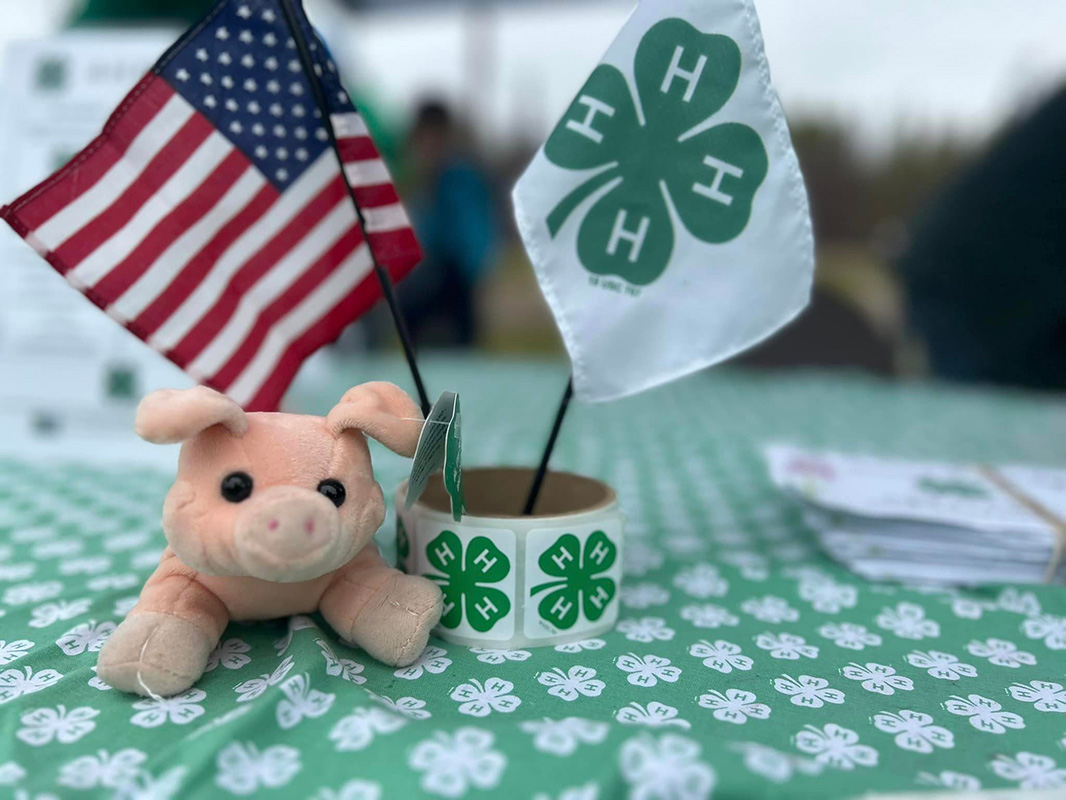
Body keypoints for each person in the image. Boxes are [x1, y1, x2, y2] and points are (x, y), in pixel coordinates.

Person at [397, 99, 498, 348]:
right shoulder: (417, 178)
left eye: (433, 137)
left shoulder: (461, 178)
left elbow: (477, 236)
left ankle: (452, 389)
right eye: (422, 138)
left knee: (458, 362)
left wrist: (471, 271)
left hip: (455, 280)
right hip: (422, 279)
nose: (427, 145)